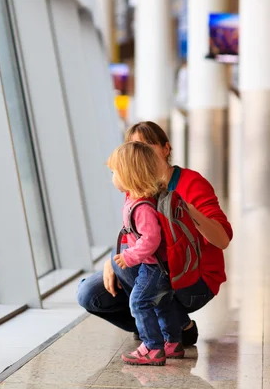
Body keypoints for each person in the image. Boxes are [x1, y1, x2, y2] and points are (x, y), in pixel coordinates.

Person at [77, 121, 232, 347]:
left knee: (127, 266)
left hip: (194, 281)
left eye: (146, 146)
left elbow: (223, 240)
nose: (139, 153)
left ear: (166, 149)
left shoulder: (192, 183)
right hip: (157, 269)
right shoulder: (135, 187)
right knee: (89, 293)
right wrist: (113, 258)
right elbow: (136, 236)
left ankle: (173, 328)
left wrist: (185, 210)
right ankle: (164, 327)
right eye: (133, 146)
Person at [108, 141, 182, 365]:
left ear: (130, 175)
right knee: (163, 303)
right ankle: (173, 342)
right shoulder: (141, 199)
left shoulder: (141, 207)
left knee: (139, 302)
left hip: (155, 267)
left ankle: (152, 347)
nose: (113, 177)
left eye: (115, 172)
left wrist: (129, 256)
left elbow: (151, 239)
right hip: (162, 264)